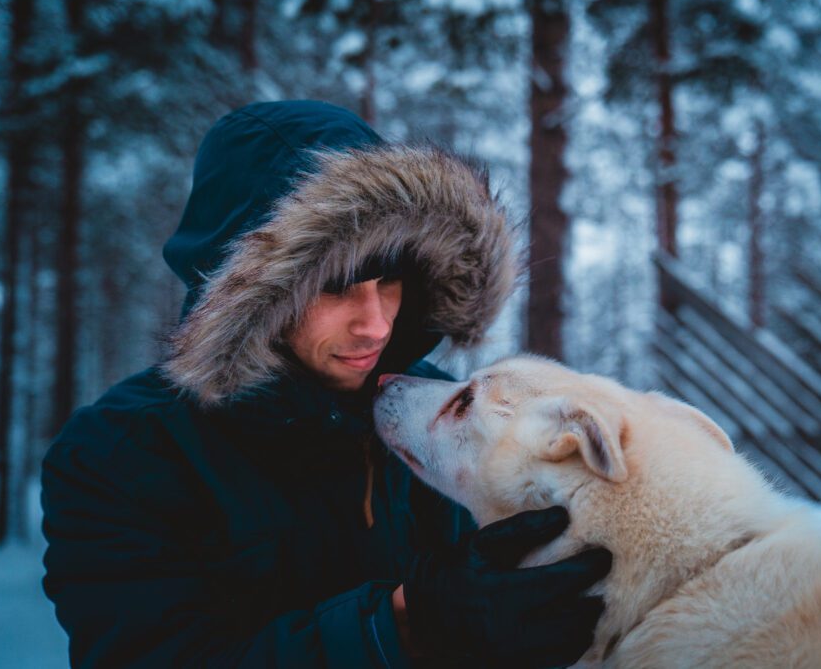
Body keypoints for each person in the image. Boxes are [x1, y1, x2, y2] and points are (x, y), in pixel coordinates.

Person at [40, 100, 612, 668]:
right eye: (337, 286)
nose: (377, 324)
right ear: (254, 297)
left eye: (390, 280)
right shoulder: (123, 453)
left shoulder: (437, 409)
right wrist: (406, 625)